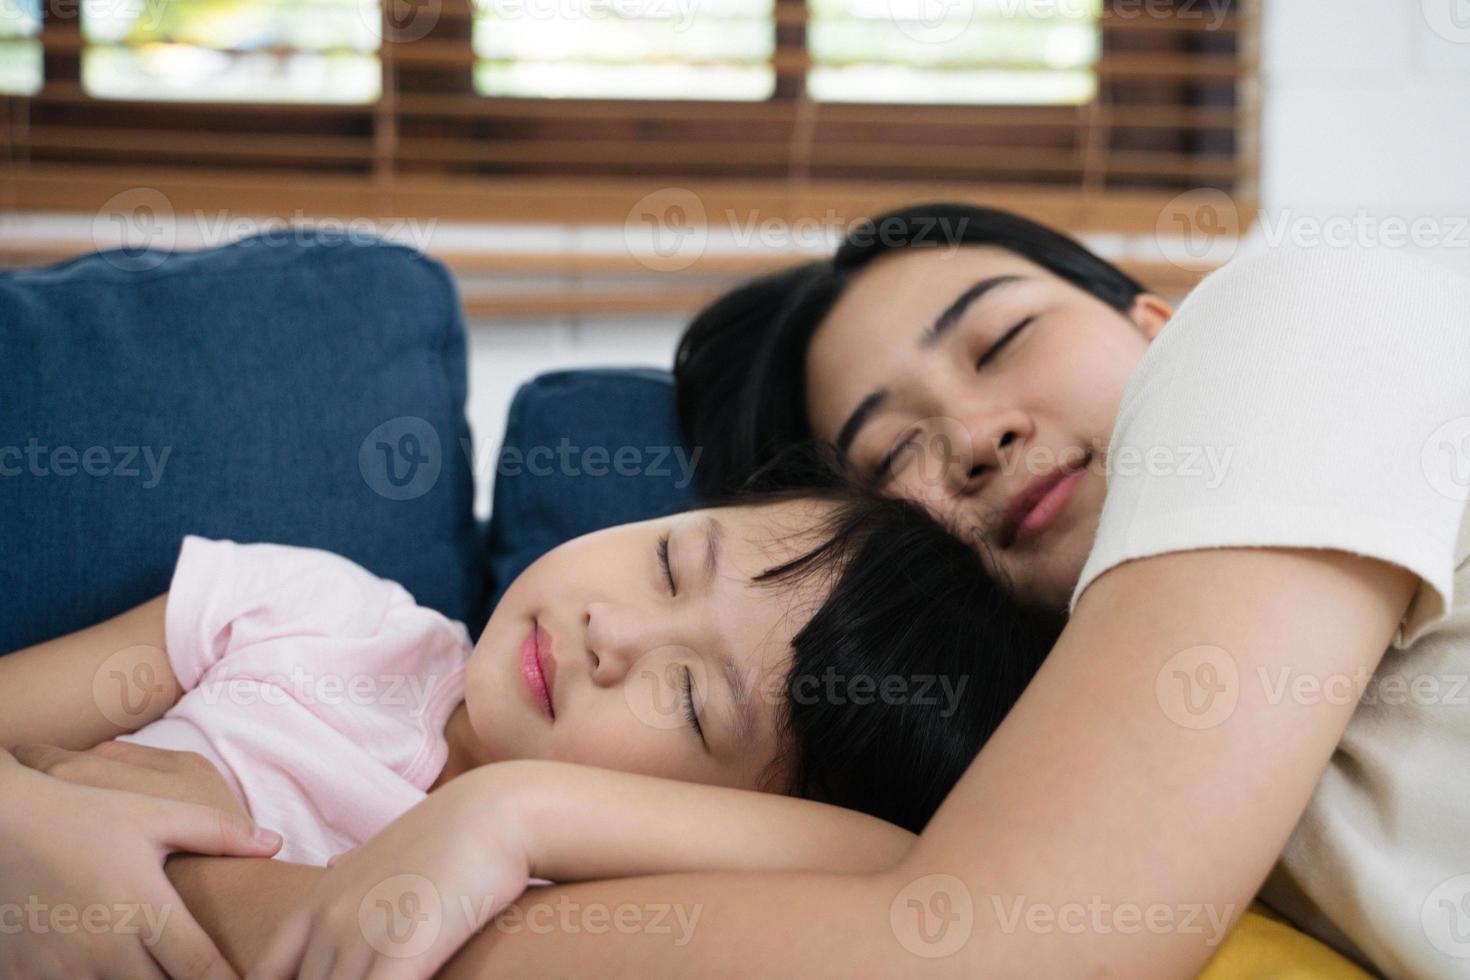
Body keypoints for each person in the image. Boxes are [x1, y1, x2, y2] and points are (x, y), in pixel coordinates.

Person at [0, 463, 1062, 978]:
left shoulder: (575, 908)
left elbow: (895, 864)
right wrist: (28, 825)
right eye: (667, 561)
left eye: (692, 699)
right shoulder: (314, 612)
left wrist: (515, 810)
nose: (618, 634)